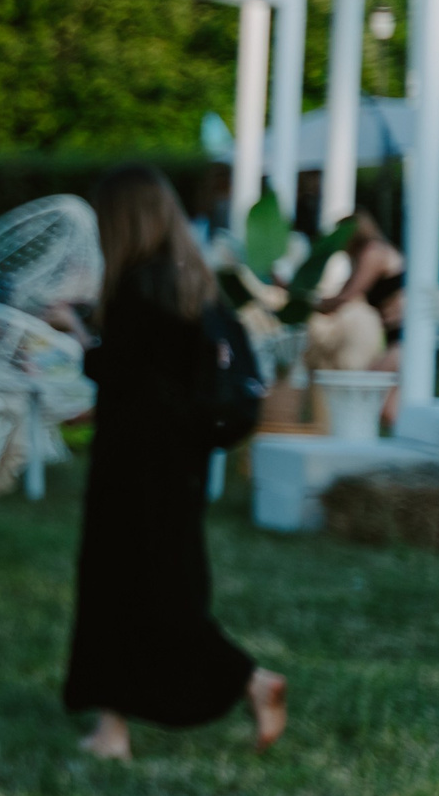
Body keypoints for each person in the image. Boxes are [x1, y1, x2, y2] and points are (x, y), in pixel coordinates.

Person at [65, 165, 288, 762]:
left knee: (127, 592)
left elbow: (120, 372)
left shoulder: (141, 287)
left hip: (134, 470)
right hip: (179, 467)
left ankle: (248, 681)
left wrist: (76, 335)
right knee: (160, 591)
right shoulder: (190, 282)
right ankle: (116, 724)